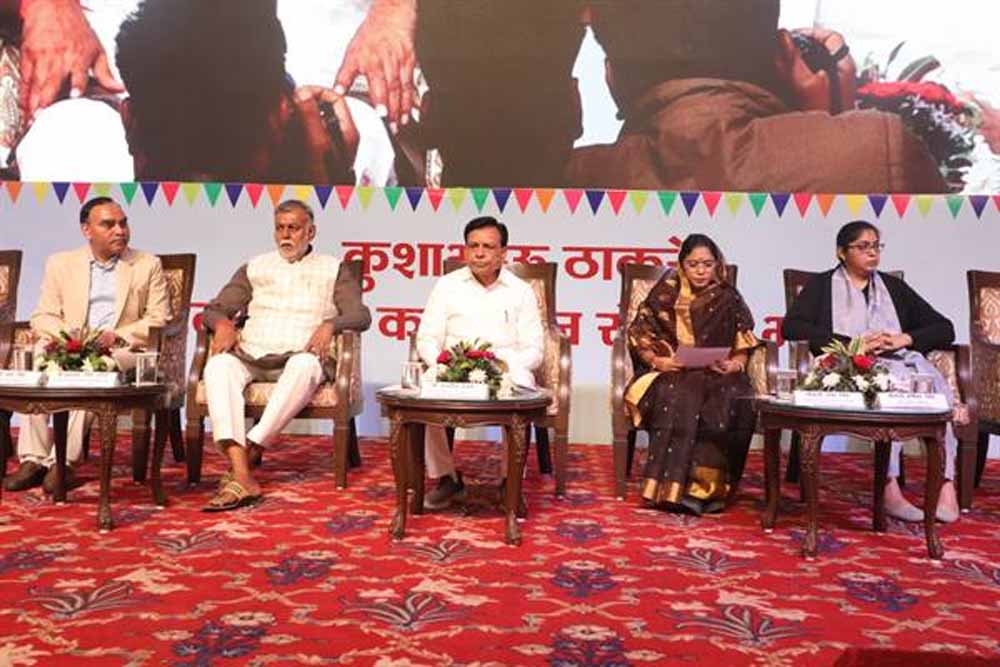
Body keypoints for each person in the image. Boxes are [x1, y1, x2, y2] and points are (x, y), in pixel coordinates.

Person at [567, 0, 946, 194]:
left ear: (611, 78)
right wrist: (831, 124)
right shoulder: (881, 151)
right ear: (785, 53)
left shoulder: (571, 178)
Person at [782, 220, 960, 523]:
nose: (872, 253)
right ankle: (889, 489)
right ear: (842, 252)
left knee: (933, 393)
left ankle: (946, 487)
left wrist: (905, 339)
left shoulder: (894, 288)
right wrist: (853, 345)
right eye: (863, 247)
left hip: (897, 362)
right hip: (846, 366)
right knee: (887, 390)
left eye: (876, 246)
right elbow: (793, 326)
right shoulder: (822, 286)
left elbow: (944, 328)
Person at [199, 199, 371, 512]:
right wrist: (222, 324)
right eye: (280, 228)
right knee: (218, 367)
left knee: (304, 365)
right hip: (251, 354)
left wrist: (330, 325)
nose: (285, 235)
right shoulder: (255, 267)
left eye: (293, 228)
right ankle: (242, 471)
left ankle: (249, 454)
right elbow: (214, 309)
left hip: (300, 356)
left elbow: (361, 316)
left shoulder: (333, 268)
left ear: (311, 232)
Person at [2, 196, 170, 492]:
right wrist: (69, 338)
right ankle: (33, 459)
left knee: (91, 369)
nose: (120, 231)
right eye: (109, 224)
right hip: (73, 342)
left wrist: (117, 335)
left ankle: (63, 462)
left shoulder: (147, 264)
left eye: (123, 223)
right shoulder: (61, 263)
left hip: (121, 349)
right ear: (86, 230)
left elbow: (159, 318)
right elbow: (43, 315)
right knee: (41, 360)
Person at [415, 216, 543, 509]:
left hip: (504, 369)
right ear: (465, 250)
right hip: (455, 367)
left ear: (503, 253)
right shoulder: (447, 286)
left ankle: (510, 482)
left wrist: (501, 365)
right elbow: (427, 337)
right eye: (473, 246)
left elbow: (534, 350)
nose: (480, 253)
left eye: (488, 247)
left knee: (523, 387)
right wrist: (441, 363)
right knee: (427, 389)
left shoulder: (520, 291)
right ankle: (446, 478)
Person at [624, 234, 758, 515]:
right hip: (673, 372)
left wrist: (735, 365)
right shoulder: (664, 295)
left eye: (707, 264)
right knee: (680, 393)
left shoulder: (728, 296)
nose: (700, 271)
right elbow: (639, 334)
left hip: (719, 373)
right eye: (693, 264)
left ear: (717, 265)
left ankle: (711, 489)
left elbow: (743, 344)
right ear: (682, 264)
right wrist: (658, 361)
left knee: (733, 396)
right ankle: (673, 490)